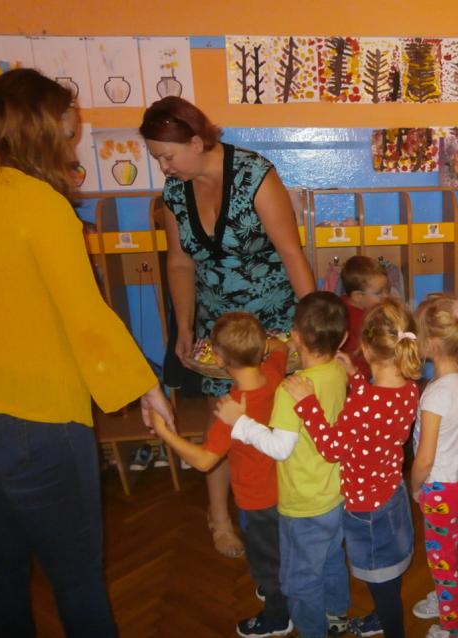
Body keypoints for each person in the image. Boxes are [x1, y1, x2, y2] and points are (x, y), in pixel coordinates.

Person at [0, 68, 174, 637]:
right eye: (69, 132)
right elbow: (85, 316)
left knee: (1, 578)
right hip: (38, 421)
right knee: (76, 579)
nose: (74, 146)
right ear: (42, 130)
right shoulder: (40, 205)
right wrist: (147, 387)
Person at [140, 96, 315, 558]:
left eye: (167, 156)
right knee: (222, 421)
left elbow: (291, 252)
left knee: (277, 418)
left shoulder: (255, 175)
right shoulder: (175, 192)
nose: (163, 167)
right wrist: (183, 328)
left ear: (197, 142)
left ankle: (287, 510)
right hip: (218, 331)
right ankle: (220, 517)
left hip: (274, 327)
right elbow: (180, 264)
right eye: (157, 158)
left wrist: (313, 326)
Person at [282, 299, 422, 638]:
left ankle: (392, 628)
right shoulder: (409, 389)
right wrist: (357, 377)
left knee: (381, 583)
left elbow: (332, 449)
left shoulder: (364, 403)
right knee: (390, 574)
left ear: (365, 348)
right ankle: (384, 618)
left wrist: (307, 404)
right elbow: (374, 417)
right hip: (392, 493)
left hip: (366, 509)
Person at [149, 312, 292, 637]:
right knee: (276, 547)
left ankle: (278, 617)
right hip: (282, 487)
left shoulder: (231, 410)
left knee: (265, 561)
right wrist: (265, 342)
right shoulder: (273, 372)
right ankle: (278, 586)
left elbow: (204, 461)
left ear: (219, 359)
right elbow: (281, 348)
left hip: (256, 498)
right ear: (261, 349)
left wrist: (167, 434)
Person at [216, 291, 350, 638]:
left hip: (303, 502)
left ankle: (313, 631)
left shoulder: (291, 390)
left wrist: (239, 422)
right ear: (342, 339)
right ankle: (336, 613)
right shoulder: (338, 370)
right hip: (334, 493)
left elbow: (278, 448)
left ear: (296, 336)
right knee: (331, 558)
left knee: (300, 578)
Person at [410, 295, 458, 638]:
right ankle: (446, 597)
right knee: (448, 548)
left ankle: (451, 626)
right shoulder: (457, 378)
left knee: (440, 557)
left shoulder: (436, 394)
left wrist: (415, 485)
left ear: (431, 343)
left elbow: (424, 458)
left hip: (439, 486)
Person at [340, 255, 390, 380]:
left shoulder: (342, 305)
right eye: (379, 293)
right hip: (358, 378)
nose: (386, 295)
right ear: (358, 296)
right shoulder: (361, 320)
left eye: (386, 290)